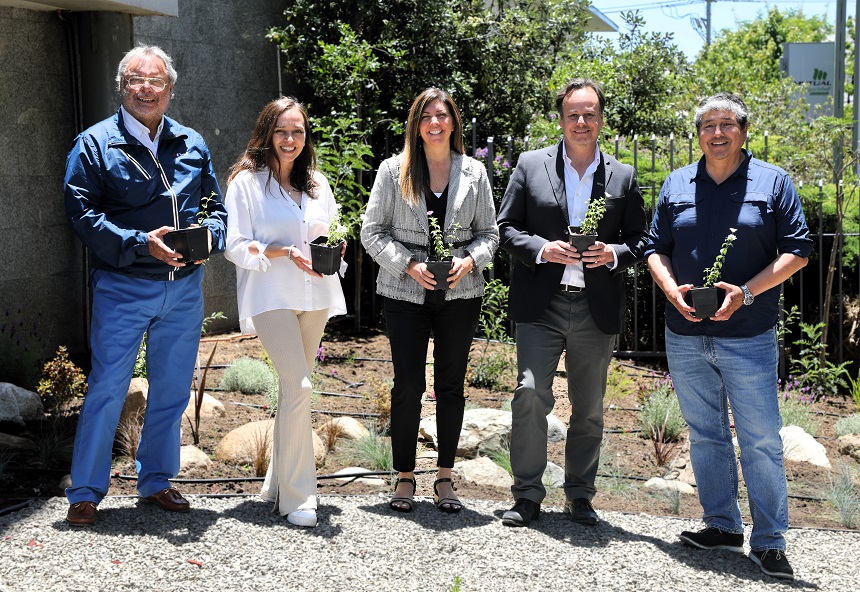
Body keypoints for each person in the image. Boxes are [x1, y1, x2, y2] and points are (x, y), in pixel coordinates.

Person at [646, 92, 812, 581]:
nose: (717, 133)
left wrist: (746, 291)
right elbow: (655, 247)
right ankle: (720, 524)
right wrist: (671, 287)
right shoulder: (677, 183)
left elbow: (797, 251)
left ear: (743, 130)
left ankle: (769, 542)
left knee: (760, 439)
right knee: (706, 434)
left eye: (727, 124)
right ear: (698, 133)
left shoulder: (773, 182)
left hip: (749, 335)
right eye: (708, 125)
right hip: (685, 332)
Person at [63, 45, 227, 526]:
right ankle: (87, 490)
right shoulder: (94, 145)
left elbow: (214, 208)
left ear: (170, 89)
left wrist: (210, 238)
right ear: (122, 86)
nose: (146, 89)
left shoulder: (192, 142)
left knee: (173, 389)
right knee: (107, 389)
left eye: (156, 81)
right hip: (123, 286)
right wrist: (140, 242)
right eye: (136, 79)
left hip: (184, 290)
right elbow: (83, 214)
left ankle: (155, 480)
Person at [497, 78, 648, 528]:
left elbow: (643, 239)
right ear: (560, 119)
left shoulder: (622, 176)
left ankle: (580, 495)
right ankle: (526, 495)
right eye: (572, 114)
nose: (581, 122)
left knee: (589, 408)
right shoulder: (529, 165)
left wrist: (615, 253)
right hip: (541, 304)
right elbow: (506, 227)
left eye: (589, 114)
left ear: (601, 119)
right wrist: (543, 249)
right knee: (529, 395)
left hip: (594, 306)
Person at [361, 88, 498, 513]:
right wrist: (408, 265)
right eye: (426, 117)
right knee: (408, 385)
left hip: (460, 294)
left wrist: (471, 261)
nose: (434, 124)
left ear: (453, 123)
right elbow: (372, 232)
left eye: (441, 116)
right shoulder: (391, 171)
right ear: (415, 126)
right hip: (404, 294)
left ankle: (444, 477)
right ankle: (404, 476)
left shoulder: (474, 172)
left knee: (451, 387)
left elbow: (490, 235)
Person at [224, 97, 346, 528]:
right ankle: (299, 497)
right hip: (271, 295)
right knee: (299, 384)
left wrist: (336, 253)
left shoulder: (318, 184)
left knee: (294, 391)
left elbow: (329, 239)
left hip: (316, 295)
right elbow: (234, 246)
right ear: (266, 133)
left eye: (297, 131)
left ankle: (278, 482)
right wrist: (277, 251)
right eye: (281, 131)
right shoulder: (245, 184)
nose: (289, 139)